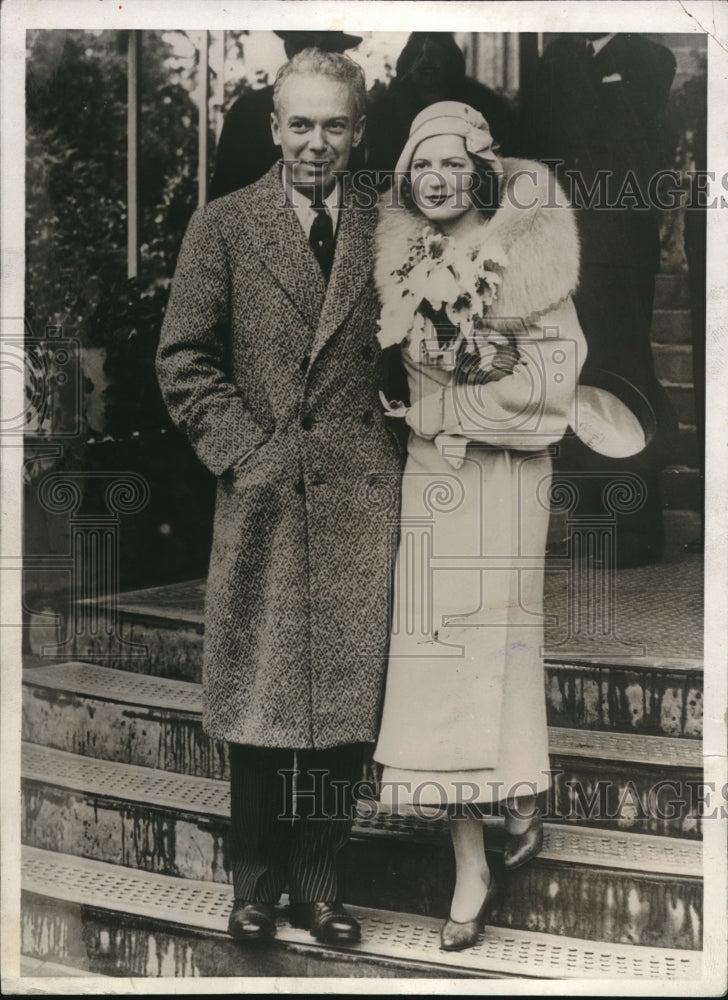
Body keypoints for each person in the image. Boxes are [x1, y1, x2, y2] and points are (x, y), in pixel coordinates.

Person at [157, 49, 405, 946]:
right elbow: (183, 360)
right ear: (273, 128)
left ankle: (320, 885)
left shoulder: (391, 227)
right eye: (299, 124)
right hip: (264, 497)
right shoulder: (223, 227)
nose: (316, 144)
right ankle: (255, 887)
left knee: (343, 709)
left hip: (360, 503)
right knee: (261, 707)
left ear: (359, 132)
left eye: (335, 125)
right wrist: (248, 455)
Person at [373, 102, 587, 950]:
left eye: (452, 164)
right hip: (433, 471)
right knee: (432, 653)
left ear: (481, 171)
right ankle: (470, 861)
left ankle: (522, 788)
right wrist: (426, 408)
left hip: (504, 472)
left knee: (498, 641)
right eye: (421, 164)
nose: (436, 179)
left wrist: (456, 402)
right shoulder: (400, 261)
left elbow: (557, 376)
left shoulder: (527, 253)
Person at [522, 33, 679, 567]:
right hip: (565, 244)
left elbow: (626, 140)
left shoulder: (648, 58)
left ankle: (634, 532)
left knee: (625, 380)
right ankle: (591, 527)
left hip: (619, 249)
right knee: (574, 378)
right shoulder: (560, 57)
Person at [209, 30, 364, 198]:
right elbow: (224, 196)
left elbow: (355, 187)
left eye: (334, 124)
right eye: (300, 124)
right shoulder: (248, 110)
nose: (316, 60)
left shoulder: (350, 110)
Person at [366, 33, 518, 188]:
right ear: (407, 62)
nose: (426, 60)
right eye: (417, 54)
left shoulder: (481, 101)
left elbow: (506, 148)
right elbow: (378, 172)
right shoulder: (385, 110)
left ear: (451, 60)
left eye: (435, 54)